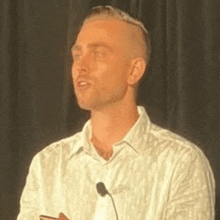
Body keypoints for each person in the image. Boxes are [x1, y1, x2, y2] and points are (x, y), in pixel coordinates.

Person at [17, 5, 215, 220]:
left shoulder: (181, 162)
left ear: (134, 70)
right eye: (77, 54)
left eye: (98, 54)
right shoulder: (47, 164)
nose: (80, 66)